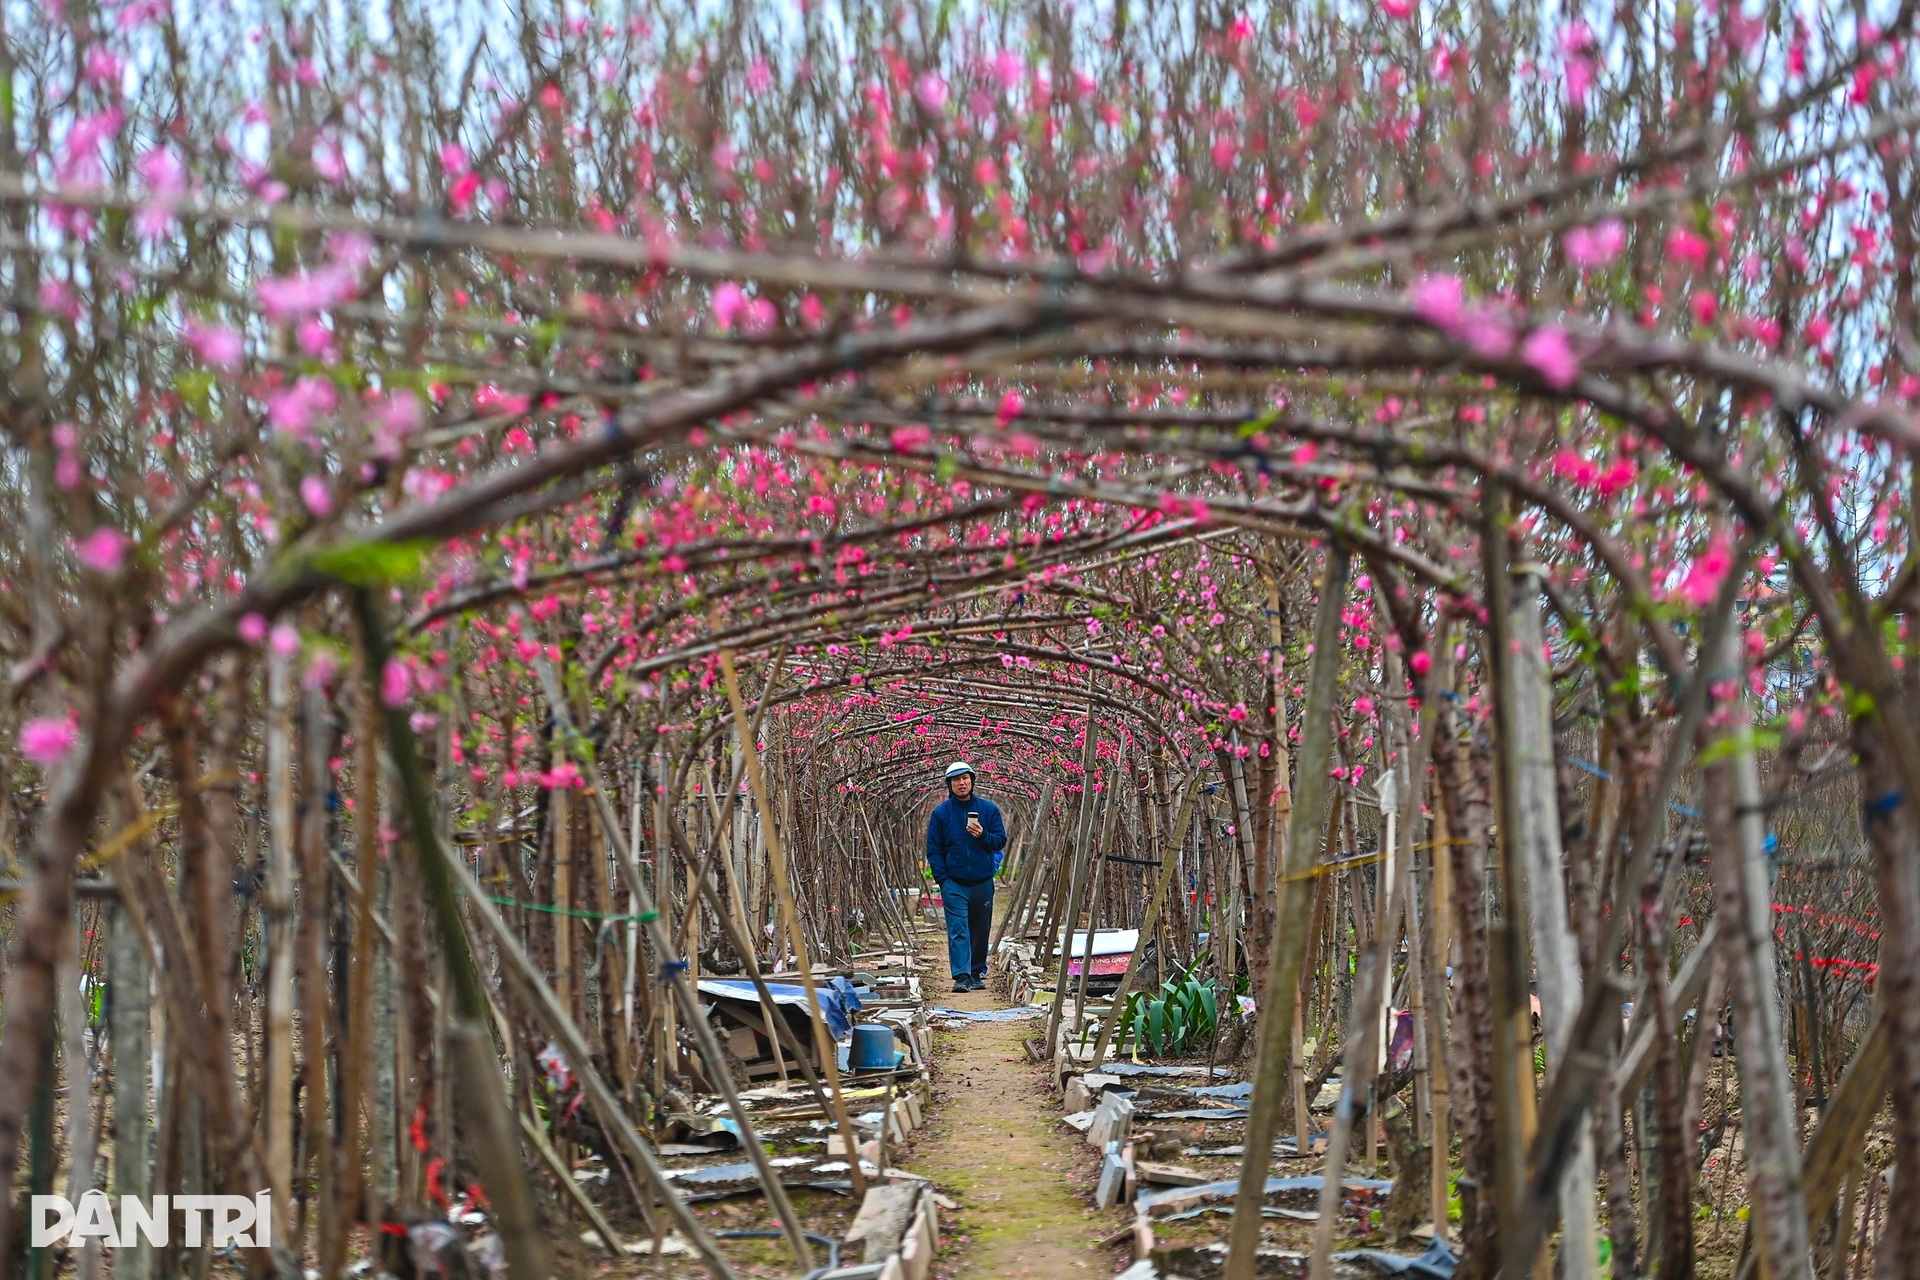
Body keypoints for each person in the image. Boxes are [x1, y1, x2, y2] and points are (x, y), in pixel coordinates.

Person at [925, 761, 1006, 991]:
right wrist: (943, 880)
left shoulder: (988, 810)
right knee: (958, 929)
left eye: (965, 778)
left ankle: (975, 972)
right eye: (956, 780)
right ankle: (962, 976)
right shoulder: (941, 814)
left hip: (982, 881)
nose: (961, 783)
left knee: (980, 929)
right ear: (950, 784)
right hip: (954, 883)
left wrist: (982, 835)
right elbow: (934, 849)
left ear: (972, 781)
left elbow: (1000, 841)